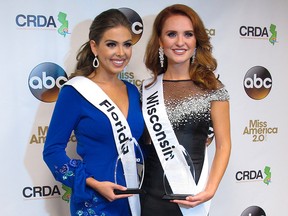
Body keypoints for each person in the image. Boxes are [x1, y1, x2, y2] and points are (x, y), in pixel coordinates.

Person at [43, 9, 144, 216]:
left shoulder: (133, 91)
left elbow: (139, 146)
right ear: (94, 46)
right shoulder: (75, 91)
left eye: (127, 44)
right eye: (111, 44)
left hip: (132, 200)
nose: (121, 53)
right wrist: (92, 183)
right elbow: (52, 151)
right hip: (94, 202)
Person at [141, 4, 231, 216]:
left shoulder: (213, 89)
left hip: (193, 196)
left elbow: (224, 145)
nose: (180, 42)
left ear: (196, 40)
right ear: (160, 41)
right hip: (151, 196)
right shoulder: (145, 89)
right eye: (172, 34)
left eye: (188, 34)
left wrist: (210, 189)